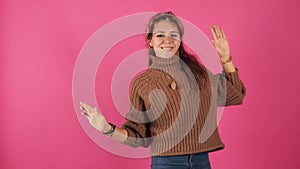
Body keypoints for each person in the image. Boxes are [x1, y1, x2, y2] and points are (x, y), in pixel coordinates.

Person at [80, 11, 246, 169]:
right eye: (160, 35)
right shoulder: (142, 83)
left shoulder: (198, 73)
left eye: (173, 35)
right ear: (150, 40)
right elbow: (138, 135)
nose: (168, 40)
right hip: (166, 163)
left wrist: (225, 59)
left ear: (180, 40)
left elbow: (234, 94)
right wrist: (107, 129)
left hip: (201, 161)